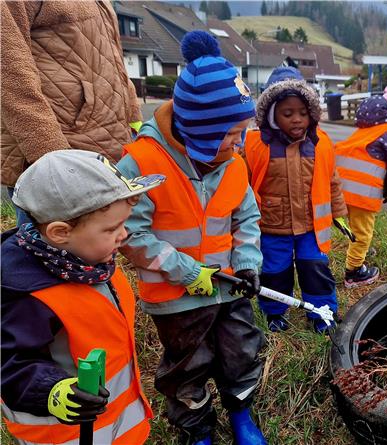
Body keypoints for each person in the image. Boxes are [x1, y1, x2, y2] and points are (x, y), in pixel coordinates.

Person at [116, 31, 267, 445]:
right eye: (232, 133)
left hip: (230, 287)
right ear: (202, 129)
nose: (239, 142)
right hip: (176, 299)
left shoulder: (233, 163)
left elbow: (247, 217)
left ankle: (241, 415)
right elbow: (128, 233)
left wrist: (248, 262)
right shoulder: (142, 164)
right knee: (187, 366)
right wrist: (185, 271)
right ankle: (197, 430)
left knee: (241, 352)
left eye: (242, 131)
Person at [1, 150, 162, 444]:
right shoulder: (26, 295)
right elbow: (10, 363)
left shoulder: (91, 264)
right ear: (60, 232)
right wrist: (53, 391)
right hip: (66, 434)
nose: (124, 234)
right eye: (111, 228)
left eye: (124, 223)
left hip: (118, 423)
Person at [1, 1, 142, 226]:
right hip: (59, 157)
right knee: (50, 246)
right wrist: (53, 161)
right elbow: (9, 69)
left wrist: (135, 122)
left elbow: (113, 60)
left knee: (104, 241)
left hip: (102, 148)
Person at [242, 67, 349, 334]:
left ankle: (322, 312)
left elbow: (331, 179)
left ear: (311, 112)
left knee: (316, 269)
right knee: (274, 272)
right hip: (271, 226)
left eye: (302, 112)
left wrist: (338, 212)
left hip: (312, 227)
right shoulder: (255, 144)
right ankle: (274, 312)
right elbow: (242, 182)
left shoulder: (321, 143)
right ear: (271, 113)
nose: (297, 119)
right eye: (287, 113)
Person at [335, 82, 387, 287]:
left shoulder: (366, 128)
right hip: (360, 191)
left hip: (339, 186)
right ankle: (354, 271)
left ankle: (360, 249)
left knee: (356, 227)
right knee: (362, 232)